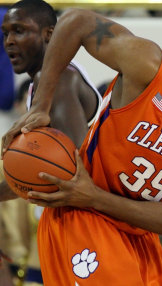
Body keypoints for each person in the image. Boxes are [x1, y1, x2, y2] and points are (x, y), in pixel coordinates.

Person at [1, 7, 162, 285]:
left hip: (140, 236)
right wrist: (42, 105)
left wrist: (94, 196)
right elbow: (75, 21)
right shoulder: (151, 67)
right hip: (81, 218)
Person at [0, 0, 102, 284]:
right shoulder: (44, 83)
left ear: (49, 34)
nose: (9, 41)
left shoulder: (58, 79)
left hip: (84, 229)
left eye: (19, 31)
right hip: (74, 225)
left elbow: (70, 176)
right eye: (5, 33)